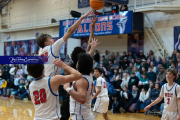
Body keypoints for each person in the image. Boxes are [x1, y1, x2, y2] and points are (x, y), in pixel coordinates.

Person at [37, 10, 92, 77]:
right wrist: (81, 18)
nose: (53, 40)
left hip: (44, 78)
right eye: (50, 39)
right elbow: (70, 31)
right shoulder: (53, 47)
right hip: (50, 80)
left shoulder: (41, 52)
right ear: (46, 43)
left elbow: (40, 48)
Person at [63, 53, 94, 120]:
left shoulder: (81, 80)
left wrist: (67, 89)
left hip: (80, 117)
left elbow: (82, 99)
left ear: (79, 64)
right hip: (84, 115)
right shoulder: (89, 75)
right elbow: (88, 60)